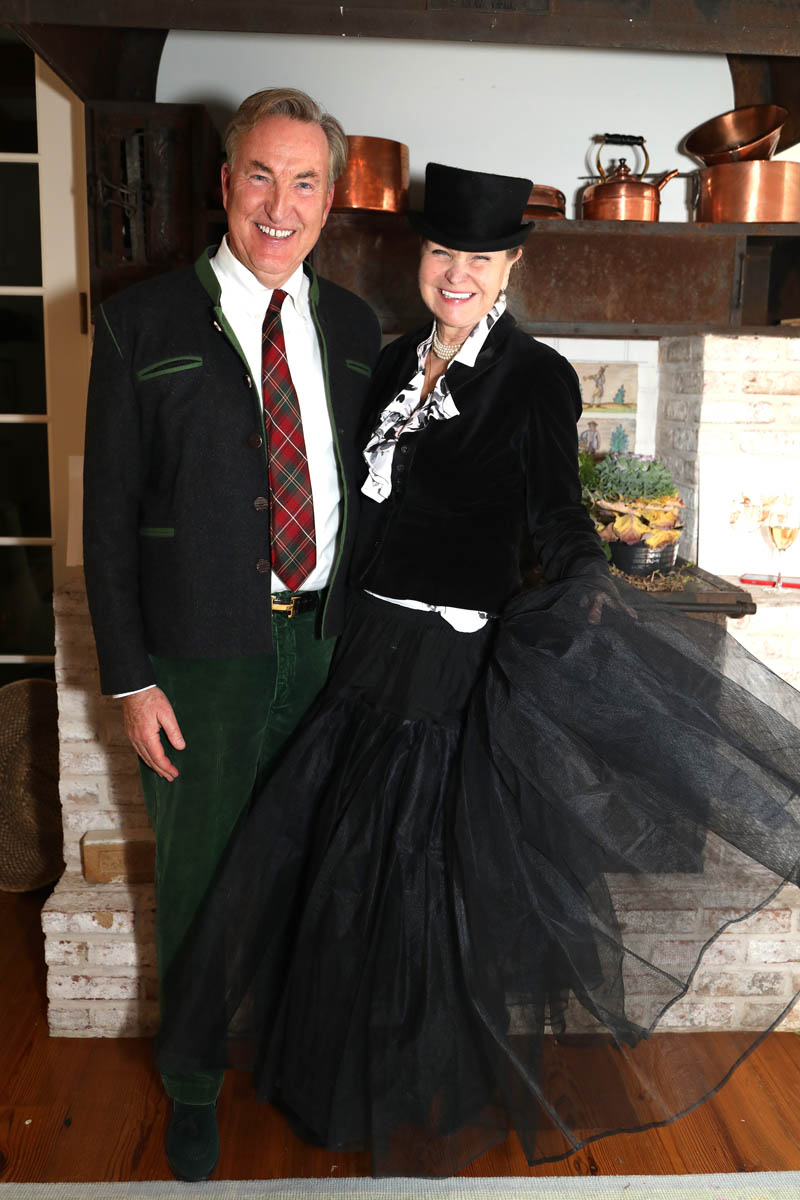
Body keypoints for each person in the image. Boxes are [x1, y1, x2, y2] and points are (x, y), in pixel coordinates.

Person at [155, 163, 800, 1177]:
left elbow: (555, 511)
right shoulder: (389, 360)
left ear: (510, 268)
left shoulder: (533, 377)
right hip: (363, 650)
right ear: (422, 257)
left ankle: (424, 1090)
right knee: (343, 880)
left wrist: (585, 581)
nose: (457, 274)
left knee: (424, 885)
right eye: (443, 252)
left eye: (481, 258)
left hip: (450, 663)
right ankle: (339, 1082)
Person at [82, 87, 381, 1181]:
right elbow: (106, 520)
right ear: (224, 184)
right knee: (202, 884)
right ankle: (195, 1088)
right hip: (198, 663)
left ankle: (304, 1064)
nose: (279, 204)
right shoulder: (141, 321)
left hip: (328, 649)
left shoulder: (357, 329)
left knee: (321, 877)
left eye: (304, 182)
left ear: (329, 200)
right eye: (260, 175)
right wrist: (129, 681)